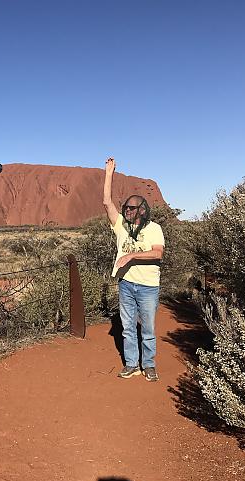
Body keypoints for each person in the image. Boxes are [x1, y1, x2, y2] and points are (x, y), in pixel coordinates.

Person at [102, 157, 165, 382]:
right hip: (126, 284)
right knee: (127, 328)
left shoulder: (154, 229)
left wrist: (131, 255)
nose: (127, 212)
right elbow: (107, 202)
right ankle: (131, 364)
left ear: (141, 210)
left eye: (131, 209)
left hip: (148, 286)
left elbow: (158, 253)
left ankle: (148, 365)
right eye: (126, 208)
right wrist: (109, 173)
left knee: (147, 329)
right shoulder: (120, 226)